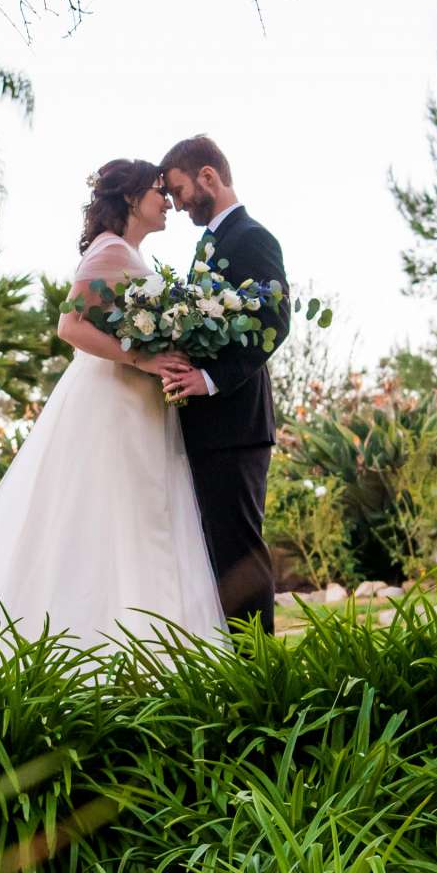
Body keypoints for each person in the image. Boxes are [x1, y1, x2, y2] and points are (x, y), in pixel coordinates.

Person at [0, 159, 226, 648]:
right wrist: (143, 359)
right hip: (113, 400)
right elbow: (70, 326)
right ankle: (107, 638)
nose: (166, 202)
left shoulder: (129, 253)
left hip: (138, 403)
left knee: (138, 516)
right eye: (158, 192)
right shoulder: (110, 250)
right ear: (130, 199)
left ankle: (147, 636)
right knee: (113, 513)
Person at [152, 135, 290, 633]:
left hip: (236, 424)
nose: (177, 201)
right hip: (210, 428)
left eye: (180, 188)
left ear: (208, 176)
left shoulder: (251, 237)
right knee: (217, 553)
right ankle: (234, 664)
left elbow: (275, 322)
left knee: (239, 552)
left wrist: (209, 379)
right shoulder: (208, 243)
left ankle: (258, 670)